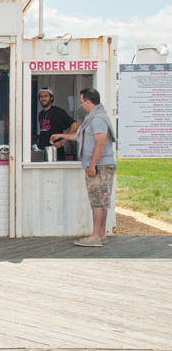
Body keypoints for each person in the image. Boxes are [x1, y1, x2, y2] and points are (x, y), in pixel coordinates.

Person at [51, 88, 116, 247]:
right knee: (101, 201)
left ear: (88, 102)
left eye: (82, 102)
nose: (81, 105)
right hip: (99, 165)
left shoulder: (98, 119)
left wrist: (92, 165)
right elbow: (79, 136)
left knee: (98, 201)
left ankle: (95, 237)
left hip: (100, 166)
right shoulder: (92, 118)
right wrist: (61, 135)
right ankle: (101, 234)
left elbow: (100, 143)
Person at [36, 87, 78, 160]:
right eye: (41, 97)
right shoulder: (41, 114)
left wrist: (62, 142)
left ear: (51, 98)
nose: (43, 99)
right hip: (43, 151)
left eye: (46, 96)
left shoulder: (58, 112)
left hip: (56, 152)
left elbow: (75, 125)